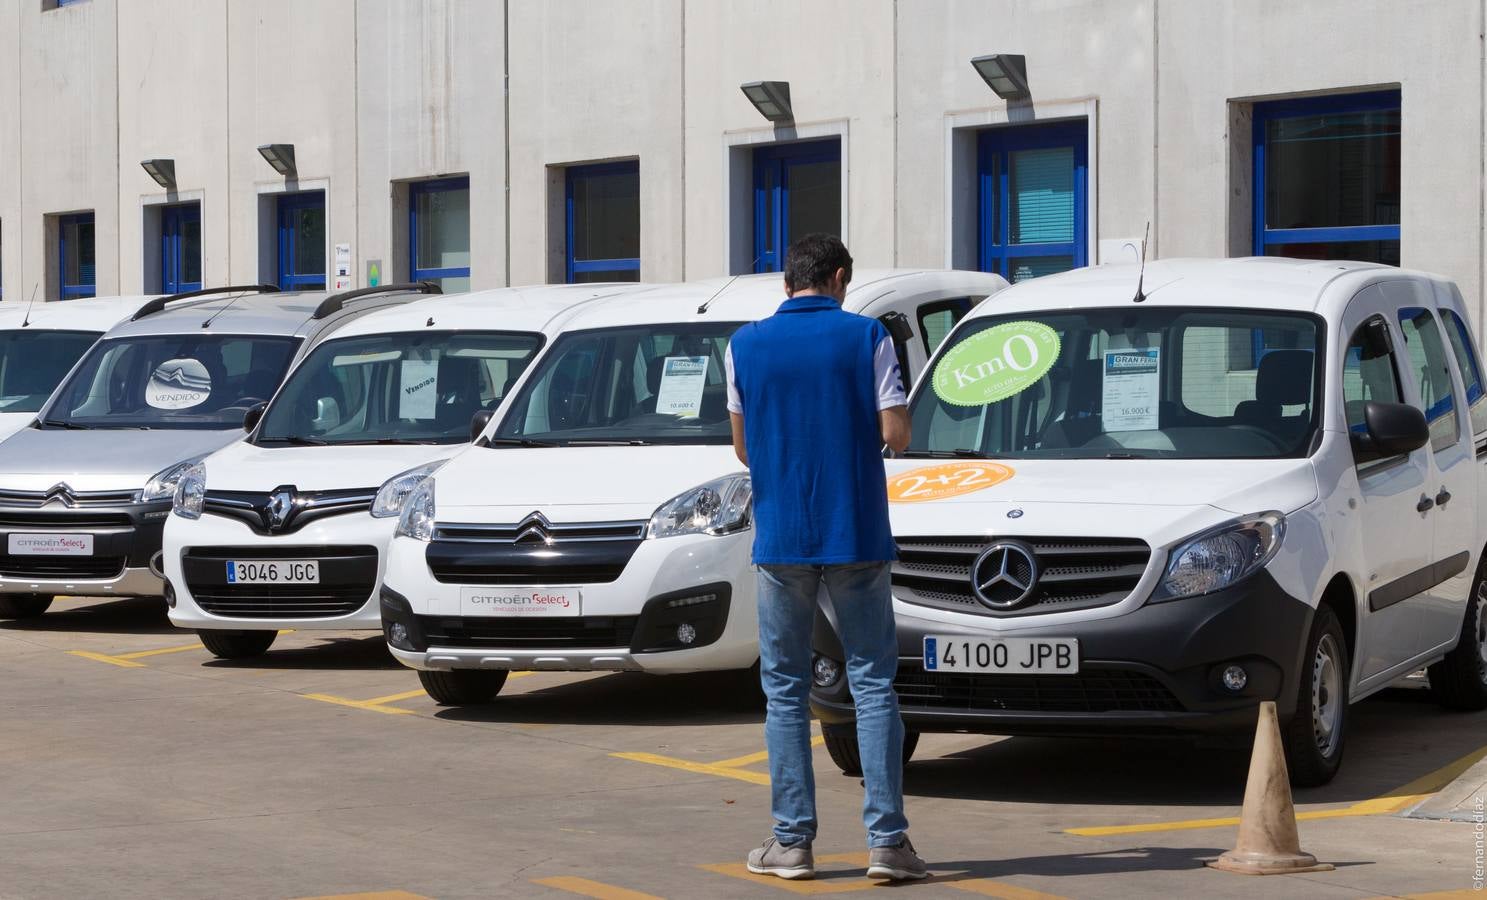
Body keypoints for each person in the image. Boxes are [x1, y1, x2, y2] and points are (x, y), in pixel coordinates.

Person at [725, 233, 925, 882]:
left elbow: (744, 449)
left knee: (784, 690)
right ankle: (887, 844)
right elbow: (895, 432)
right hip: (856, 532)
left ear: (788, 282)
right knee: (872, 683)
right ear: (838, 277)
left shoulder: (744, 344)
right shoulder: (866, 338)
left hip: (782, 535)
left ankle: (792, 843)